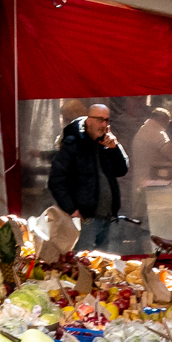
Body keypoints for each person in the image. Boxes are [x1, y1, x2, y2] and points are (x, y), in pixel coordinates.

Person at [48, 103, 131, 252]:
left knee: (103, 264)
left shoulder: (106, 142)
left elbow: (121, 170)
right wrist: (72, 210)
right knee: (83, 263)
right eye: (100, 120)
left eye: (107, 120)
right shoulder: (73, 144)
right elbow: (56, 181)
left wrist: (115, 148)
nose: (104, 124)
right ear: (89, 120)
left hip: (107, 217)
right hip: (85, 219)